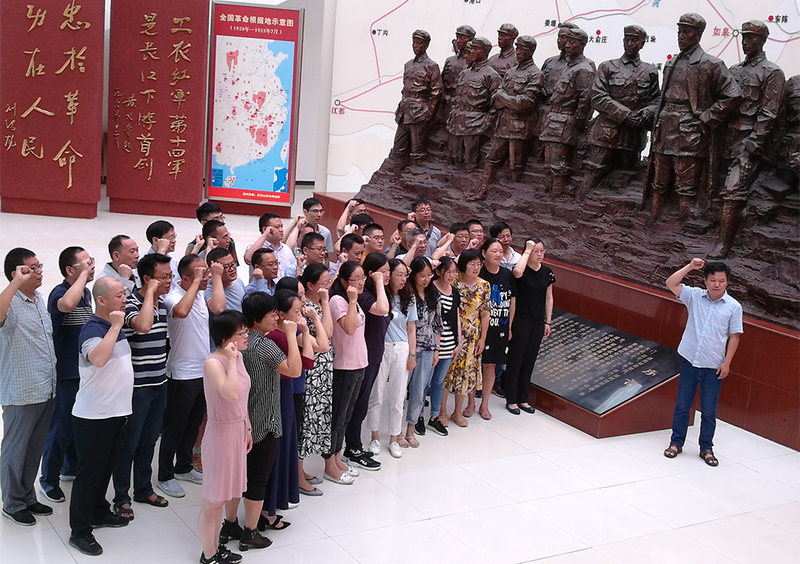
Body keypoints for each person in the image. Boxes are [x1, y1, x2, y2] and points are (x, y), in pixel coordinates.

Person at [648, 13, 742, 221]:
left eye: (686, 32)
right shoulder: (671, 63)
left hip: (689, 134)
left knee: (685, 187)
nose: (681, 36)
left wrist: (707, 117)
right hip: (664, 130)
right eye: (679, 31)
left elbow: (734, 95)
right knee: (659, 182)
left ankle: (683, 228)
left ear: (698, 34)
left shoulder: (711, 64)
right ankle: (652, 223)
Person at [68, 277, 134, 556]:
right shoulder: (93, 328)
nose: (124, 299)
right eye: (119, 295)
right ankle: (79, 531)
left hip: (115, 413)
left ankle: (97, 511)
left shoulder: (111, 326)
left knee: (105, 468)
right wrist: (116, 326)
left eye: (124, 294)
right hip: (94, 416)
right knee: (89, 474)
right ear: (102, 300)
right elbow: (97, 358)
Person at [232, 292, 301, 552]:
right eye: (272, 314)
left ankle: (230, 523)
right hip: (264, 419)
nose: (276, 318)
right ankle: (250, 530)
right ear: (257, 318)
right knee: (258, 478)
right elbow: (294, 370)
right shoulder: (264, 345)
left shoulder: (240, 342)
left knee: (239, 476)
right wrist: (291, 335)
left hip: (241, 417)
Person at [712, 20, 785, 258]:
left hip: (748, 142)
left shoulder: (772, 73)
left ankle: (723, 245)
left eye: (751, 37)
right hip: (726, 140)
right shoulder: (733, 70)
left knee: (733, 191)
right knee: (715, 189)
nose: (745, 41)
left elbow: (769, 114)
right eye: (743, 37)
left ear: (763, 40)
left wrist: (753, 146)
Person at [157, 254, 225, 498]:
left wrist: (216, 278)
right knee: (174, 427)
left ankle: (183, 466)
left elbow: (219, 307)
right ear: (184, 277)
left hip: (201, 371)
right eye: (199, 273)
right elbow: (181, 312)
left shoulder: (198, 293)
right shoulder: (172, 296)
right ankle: (164, 475)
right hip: (181, 373)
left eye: (205, 273)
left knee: (193, 424)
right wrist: (197, 281)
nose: (204, 277)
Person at [664, 259, 743, 467]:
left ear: (727, 282)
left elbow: (735, 336)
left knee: (708, 411)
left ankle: (706, 448)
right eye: (713, 280)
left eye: (722, 281)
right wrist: (690, 266)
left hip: (713, 366)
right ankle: (676, 442)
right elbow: (671, 283)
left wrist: (727, 363)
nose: (717, 284)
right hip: (690, 361)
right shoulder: (694, 296)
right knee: (682, 405)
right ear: (705, 281)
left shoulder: (733, 307)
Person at [111, 253, 173, 520]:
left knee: (149, 441)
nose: (169, 281)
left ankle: (143, 488)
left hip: (160, 382)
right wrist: (149, 294)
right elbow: (143, 326)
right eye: (164, 277)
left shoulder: (162, 304)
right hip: (137, 387)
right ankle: (121, 497)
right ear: (147, 279)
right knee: (129, 443)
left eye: (171, 276)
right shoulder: (131, 303)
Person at [0, 248, 57, 526]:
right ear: (16, 273)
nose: (38, 271)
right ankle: (12, 503)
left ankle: (26, 496)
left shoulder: (39, 299)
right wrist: (15, 284)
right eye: (31, 268)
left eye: (38, 265)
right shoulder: (9, 302)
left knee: (34, 449)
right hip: (21, 391)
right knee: (15, 451)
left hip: (45, 387)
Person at [578, 25, 660, 199]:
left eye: (634, 41)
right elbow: (597, 97)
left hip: (633, 137)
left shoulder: (650, 71)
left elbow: (656, 101)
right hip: (606, 134)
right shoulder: (607, 67)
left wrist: (646, 112)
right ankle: (579, 203)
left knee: (624, 180)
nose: (630, 44)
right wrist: (625, 115)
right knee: (594, 173)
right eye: (627, 40)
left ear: (642, 44)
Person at [39, 246, 94, 504]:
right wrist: (82, 277)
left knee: (76, 425)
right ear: (70, 270)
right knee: (59, 429)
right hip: (65, 373)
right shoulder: (59, 293)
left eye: (92, 262)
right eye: (85, 264)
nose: (91, 267)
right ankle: (48, 481)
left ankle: (69, 468)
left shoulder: (86, 293)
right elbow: (67, 305)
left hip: (83, 372)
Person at [197, 310, 251, 564]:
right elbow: (229, 393)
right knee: (214, 500)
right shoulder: (214, 362)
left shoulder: (237, 357)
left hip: (237, 430)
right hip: (220, 434)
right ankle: (209, 554)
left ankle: (215, 548)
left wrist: (247, 428)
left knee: (225, 496)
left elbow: (242, 398)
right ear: (225, 338)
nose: (246, 336)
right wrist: (230, 360)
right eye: (241, 333)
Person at [261, 289, 315, 529]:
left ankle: (271, 507)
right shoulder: (279, 337)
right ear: (281, 314)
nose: (300, 316)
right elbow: (307, 362)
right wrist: (302, 333)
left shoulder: (283, 334)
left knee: (283, 449)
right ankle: (268, 510)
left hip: (283, 393)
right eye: (296, 312)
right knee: (278, 450)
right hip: (279, 394)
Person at [475, 34, 543, 199]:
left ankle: (512, 199)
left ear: (530, 51)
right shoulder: (511, 72)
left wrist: (504, 98)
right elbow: (495, 98)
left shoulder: (536, 74)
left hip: (519, 128)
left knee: (515, 165)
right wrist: (507, 100)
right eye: (517, 48)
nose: (518, 52)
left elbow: (525, 103)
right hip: (503, 125)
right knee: (492, 158)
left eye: (522, 49)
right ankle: (483, 191)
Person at [324, 262, 369, 484]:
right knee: (338, 417)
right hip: (344, 367)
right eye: (356, 279)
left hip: (359, 364)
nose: (360, 283)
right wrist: (352, 301)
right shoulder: (338, 301)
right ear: (343, 281)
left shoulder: (353, 300)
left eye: (362, 278)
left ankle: (337, 457)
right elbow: (349, 328)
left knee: (347, 415)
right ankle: (329, 465)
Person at [344, 253, 390, 470]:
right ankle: (353, 448)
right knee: (358, 404)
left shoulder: (378, 293)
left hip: (374, 354)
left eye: (388, 271)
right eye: (383, 271)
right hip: (363, 357)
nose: (387, 275)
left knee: (361, 403)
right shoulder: (364, 296)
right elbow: (382, 310)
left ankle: (353, 446)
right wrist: (379, 282)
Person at [366, 259, 416, 458]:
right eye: (399, 274)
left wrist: (412, 354)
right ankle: (374, 436)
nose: (403, 279)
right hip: (382, 348)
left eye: (405, 275)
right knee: (377, 394)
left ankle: (394, 437)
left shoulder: (409, 298)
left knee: (398, 396)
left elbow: (411, 329)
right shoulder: (380, 296)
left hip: (402, 348)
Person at [539, 26, 595, 196]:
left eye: (572, 42)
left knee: (558, 164)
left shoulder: (583, 69)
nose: (568, 45)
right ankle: (547, 194)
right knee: (548, 162)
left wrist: (578, 122)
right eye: (567, 41)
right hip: (553, 118)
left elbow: (586, 100)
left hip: (565, 120)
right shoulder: (568, 66)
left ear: (582, 45)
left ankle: (556, 196)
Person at [467, 239, 515, 420]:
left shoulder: (507, 274)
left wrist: (509, 326)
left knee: (491, 366)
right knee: (474, 365)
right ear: (484, 253)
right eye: (494, 251)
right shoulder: (478, 273)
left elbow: (512, 301)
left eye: (500, 251)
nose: (498, 254)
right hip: (479, 328)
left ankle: (484, 404)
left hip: (500, 327)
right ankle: (470, 402)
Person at [505, 239, 554, 414]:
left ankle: (523, 399)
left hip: (537, 321)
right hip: (521, 320)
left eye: (542, 251)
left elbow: (549, 297)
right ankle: (511, 399)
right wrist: (527, 250)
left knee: (529, 360)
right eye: (536, 251)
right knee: (516, 359)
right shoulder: (521, 269)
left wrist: (548, 321)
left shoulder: (547, 272)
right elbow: (517, 272)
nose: (540, 254)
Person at [442, 250, 490, 427]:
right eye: (472, 264)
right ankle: (440, 411)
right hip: (451, 333)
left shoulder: (484, 285)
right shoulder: (454, 281)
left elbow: (485, 314)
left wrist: (482, 338)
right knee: (446, 372)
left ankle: (457, 412)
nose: (476, 268)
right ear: (464, 265)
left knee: (465, 374)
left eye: (479, 264)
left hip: (472, 337)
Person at [298, 265, 334, 490]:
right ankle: (297, 473)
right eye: (323, 283)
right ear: (310, 285)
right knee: (306, 420)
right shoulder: (305, 310)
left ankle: (300, 470)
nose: (327, 286)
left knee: (316, 419)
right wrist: (325, 304)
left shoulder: (319, 305)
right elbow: (327, 334)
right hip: (312, 370)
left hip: (324, 369)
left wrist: (324, 303)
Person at [447, 37, 501, 171]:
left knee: (470, 163)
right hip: (457, 122)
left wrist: (485, 123)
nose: (471, 51)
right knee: (454, 158)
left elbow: (496, 105)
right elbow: (458, 97)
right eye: (471, 48)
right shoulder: (464, 73)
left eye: (476, 49)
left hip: (475, 124)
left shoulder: (492, 76)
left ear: (485, 52)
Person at [391, 29, 442, 170]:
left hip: (420, 112)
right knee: (399, 148)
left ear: (426, 45)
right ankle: (396, 177)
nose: (415, 45)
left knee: (417, 151)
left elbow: (437, 91)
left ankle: (414, 178)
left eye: (419, 43)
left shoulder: (431, 66)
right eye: (414, 42)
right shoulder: (408, 65)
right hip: (404, 111)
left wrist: (428, 112)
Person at [405, 257, 442, 443]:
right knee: (400, 391)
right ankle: (395, 432)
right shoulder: (406, 294)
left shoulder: (434, 294)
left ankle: (410, 430)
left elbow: (438, 325)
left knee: (419, 391)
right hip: (407, 348)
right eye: (422, 275)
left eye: (429, 275)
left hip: (427, 348)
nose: (427, 279)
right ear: (413, 275)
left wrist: (436, 349)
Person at [429, 257, 461, 434]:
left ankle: (434, 416)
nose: (451, 275)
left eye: (454, 272)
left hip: (449, 343)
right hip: (432, 343)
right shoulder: (431, 288)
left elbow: (457, 317)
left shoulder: (454, 292)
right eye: (448, 271)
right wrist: (435, 345)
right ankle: (417, 417)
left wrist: (459, 341)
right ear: (439, 271)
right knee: (424, 382)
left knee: (438, 382)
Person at [244, 212, 296, 282]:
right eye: (277, 227)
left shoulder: (286, 249)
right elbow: (248, 259)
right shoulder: (255, 247)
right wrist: (265, 235)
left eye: (281, 227)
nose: (281, 230)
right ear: (265, 229)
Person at [440, 25, 476, 123]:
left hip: (463, 106)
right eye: (457, 37)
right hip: (446, 105)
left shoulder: (474, 62)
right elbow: (442, 83)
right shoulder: (450, 60)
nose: (458, 41)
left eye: (462, 38)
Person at [205, 248, 246, 312]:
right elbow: (218, 309)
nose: (232, 269)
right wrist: (217, 276)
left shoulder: (237, 280)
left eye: (233, 264)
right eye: (226, 267)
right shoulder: (209, 288)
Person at [143, 220, 180, 290]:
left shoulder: (173, 261)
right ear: (155, 240)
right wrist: (161, 250)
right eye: (170, 238)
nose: (174, 241)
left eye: (174, 237)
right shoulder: (143, 260)